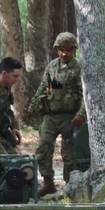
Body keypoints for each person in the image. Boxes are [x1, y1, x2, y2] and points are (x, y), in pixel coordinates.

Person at [30, 33, 85, 197]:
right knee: (42, 148)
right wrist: (32, 106)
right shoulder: (52, 66)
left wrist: (81, 113)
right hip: (51, 116)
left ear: (73, 50)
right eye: (61, 50)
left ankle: (71, 187)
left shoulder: (78, 68)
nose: (64, 54)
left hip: (71, 117)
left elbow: (85, 94)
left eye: (68, 50)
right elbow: (43, 87)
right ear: (57, 50)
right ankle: (48, 183)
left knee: (69, 155)